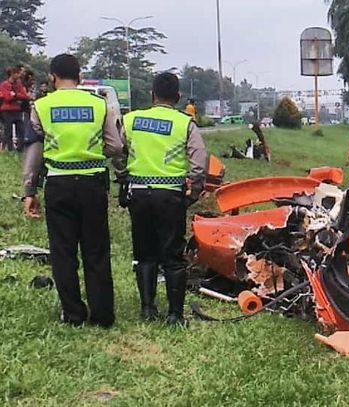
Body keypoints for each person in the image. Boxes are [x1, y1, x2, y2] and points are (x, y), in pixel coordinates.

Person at [22, 54, 124, 327]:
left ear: (52, 77)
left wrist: (30, 190)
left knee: (63, 252)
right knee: (96, 251)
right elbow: (115, 146)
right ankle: (102, 316)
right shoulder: (99, 104)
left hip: (58, 184)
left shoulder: (41, 106)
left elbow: (35, 151)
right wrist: (90, 154)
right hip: (92, 183)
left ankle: (73, 314)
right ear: (79, 78)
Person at [120, 73, 207, 326]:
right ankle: (175, 315)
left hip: (138, 193)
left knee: (144, 253)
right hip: (170, 195)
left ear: (151, 95)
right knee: (173, 255)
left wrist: (123, 174)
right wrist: (195, 188)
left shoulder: (131, 119)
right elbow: (199, 160)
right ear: (178, 98)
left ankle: (147, 309)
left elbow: (115, 148)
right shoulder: (184, 123)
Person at [0, 66, 30, 152]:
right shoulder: (4, 85)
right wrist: (15, 96)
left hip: (17, 110)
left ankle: (20, 148)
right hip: (7, 110)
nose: (19, 75)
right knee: (8, 130)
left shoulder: (19, 84)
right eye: (17, 73)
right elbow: (7, 98)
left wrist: (15, 95)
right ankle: (9, 149)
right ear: (12, 74)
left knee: (21, 129)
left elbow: (25, 96)